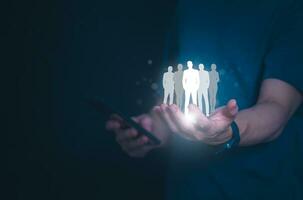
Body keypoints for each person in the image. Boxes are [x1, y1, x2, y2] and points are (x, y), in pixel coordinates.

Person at [106, 0, 303, 199]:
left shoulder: (290, 7)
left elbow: (277, 108)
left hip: (262, 188)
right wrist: (152, 128)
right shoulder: (188, 6)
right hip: (187, 188)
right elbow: (173, 91)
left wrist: (228, 131)